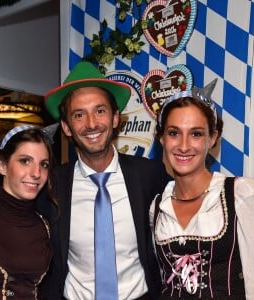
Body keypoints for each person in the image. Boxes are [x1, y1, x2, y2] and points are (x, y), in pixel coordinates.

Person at [36, 61, 170, 299]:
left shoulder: (150, 175)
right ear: (66, 127)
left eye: (100, 111)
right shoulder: (50, 185)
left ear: (116, 118)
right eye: (79, 115)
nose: (91, 124)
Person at [150, 80, 254, 299]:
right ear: (161, 138)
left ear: (213, 138)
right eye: (174, 133)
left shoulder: (241, 194)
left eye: (196, 134)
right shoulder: (157, 208)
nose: (183, 146)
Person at [0, 125, 58, 299]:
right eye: (25, 161)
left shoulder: (44, 225)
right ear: (2, 165)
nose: (36, 173)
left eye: (43, 164)